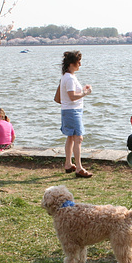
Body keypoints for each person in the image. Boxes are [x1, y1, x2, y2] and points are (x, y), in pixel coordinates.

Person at [57, 50, 93, 178]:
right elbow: (72, 96)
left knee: (71, 137)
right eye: (78, 62)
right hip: (72, 111)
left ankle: (68, 164)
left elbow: (67, 95)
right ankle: (79, 167)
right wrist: (85, 93)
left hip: (69, 110)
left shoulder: (67, 76)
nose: (80, 65)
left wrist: (83, 90)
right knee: (78, 138)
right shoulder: (69, 78)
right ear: (72, 63)